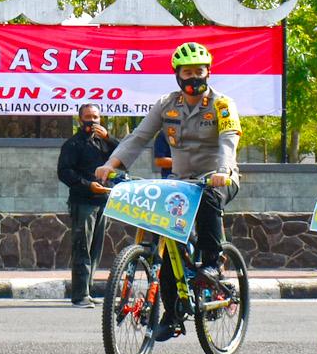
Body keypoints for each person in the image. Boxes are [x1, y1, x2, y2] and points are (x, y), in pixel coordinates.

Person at [96, 42, 241, 333]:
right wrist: (112, 164)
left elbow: (228, 139)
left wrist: (223, 170)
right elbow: (139, 137)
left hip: (217, 178)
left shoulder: (222, 104)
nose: (194, 78)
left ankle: (212, 262)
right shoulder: (166, 104)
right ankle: (172, 315)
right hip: (180, 182)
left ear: (208, 72)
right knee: (164, 238)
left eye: (199, 71)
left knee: (209, 199)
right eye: (187, 72)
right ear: (178, 75)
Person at [56, 104, 115, 306]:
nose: (92, 121)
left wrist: (108, 137)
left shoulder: (104, 143)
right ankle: (79, 295)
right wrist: (89, 185)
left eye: (96, 117)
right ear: (80, 120)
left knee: (95, 248)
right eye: (88, 117)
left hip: (103, 201)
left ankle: (88, 290)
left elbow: (123, 156)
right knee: (82, 248)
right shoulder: (73, 144)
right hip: (83, 202)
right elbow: (64, 172)